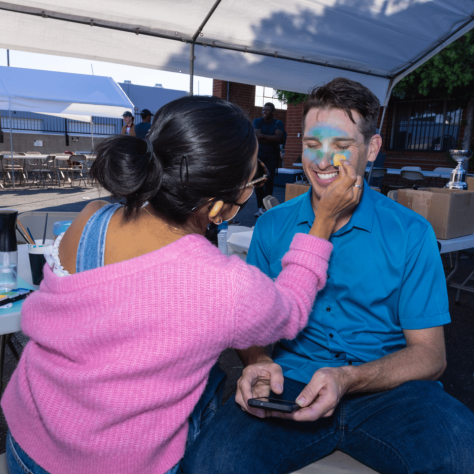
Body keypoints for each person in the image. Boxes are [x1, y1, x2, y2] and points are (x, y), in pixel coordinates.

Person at [1, 96, 362, 474]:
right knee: (210, 388)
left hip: (28, 444)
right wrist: (322, 223)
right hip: (119, 464)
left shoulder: (92, 218)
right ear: (220, 207)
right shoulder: (224, 284)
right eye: (252, 176)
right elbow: (290, 309)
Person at [182, 79, 474, 474]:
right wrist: (260, 362)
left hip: (387, 388)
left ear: (371, 149)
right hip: (293, 383)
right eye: (314, 144)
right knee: (212, 464)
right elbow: (253, 332)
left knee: (461, 455)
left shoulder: (410, 232)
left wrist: (348, 378)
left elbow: (431, 355)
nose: (322, 161)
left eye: (341, 147)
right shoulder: (273, 226)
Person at [253, 103, 285, 217]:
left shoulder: (278, 123)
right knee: (258, 181)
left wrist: (263, 136)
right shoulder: (257, 121)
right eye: (263, 110)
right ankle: (259, 207)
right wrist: (272, 138)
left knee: (269, 181)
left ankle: (266, 207)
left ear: (273, 112)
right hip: (259, 156)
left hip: (272, 156)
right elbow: (257, 136)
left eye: (267, 110)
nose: (264, 112)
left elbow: (278, 138)